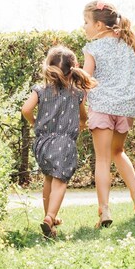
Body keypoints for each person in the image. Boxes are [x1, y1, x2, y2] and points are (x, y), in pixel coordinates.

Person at [81, 0, 135, 228]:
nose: (83, 26)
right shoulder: (130, 45)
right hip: (126, 107)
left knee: (103, 159)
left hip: (103, 107)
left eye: (86, 22)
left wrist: (80, 110)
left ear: (98, 26)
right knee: (118, 151)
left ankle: (104, 211)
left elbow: (86, 81)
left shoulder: (92, 49)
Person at [21, 45, 98, 238]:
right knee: (60, 181)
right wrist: (80, 125)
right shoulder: (77, 94)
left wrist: (34, 124)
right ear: (73, 69)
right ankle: (50, 217)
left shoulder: (40, 90)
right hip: (64, 143)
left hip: (42, 143)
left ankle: (50, 221)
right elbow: (83, 117)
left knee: (48, 177)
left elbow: (26, 110)